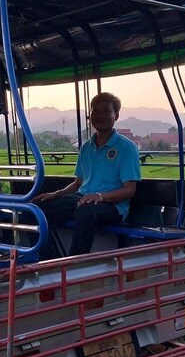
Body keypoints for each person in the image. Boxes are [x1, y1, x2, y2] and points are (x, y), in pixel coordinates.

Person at [33, 92, 141, 256]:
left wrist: (100, 196)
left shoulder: (126, 147)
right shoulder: (86, 148)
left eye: (106, 111)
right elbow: (78, 183)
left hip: (113, 205)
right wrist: (56, 194)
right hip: (83, 198)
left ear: (116, 115)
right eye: (95, 111)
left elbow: (129, 190)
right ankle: (51, 261)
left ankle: (74, 265)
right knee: (36, 210)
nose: (99, 116)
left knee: (85, 212)